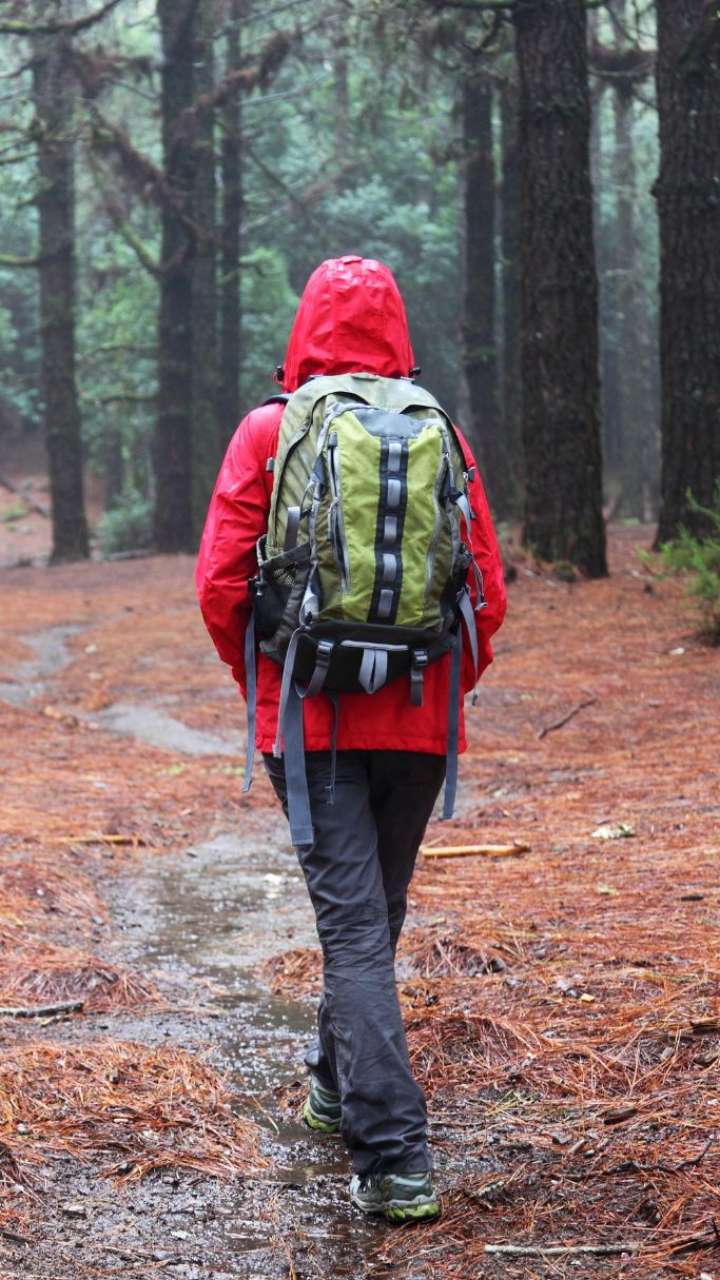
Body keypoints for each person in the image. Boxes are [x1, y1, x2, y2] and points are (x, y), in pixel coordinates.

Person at [196, 255, 506, 1223]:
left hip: (311, 724)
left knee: (356, 929)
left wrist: (267, 687)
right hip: (418, 722)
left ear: (304, 329)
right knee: (377, 917)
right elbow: (486, 594)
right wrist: (436, 692)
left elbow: (220, 584)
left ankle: (395, 1155)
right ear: (398, 329)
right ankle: (336, 1082)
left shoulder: (270, 430)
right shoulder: (439, 428)